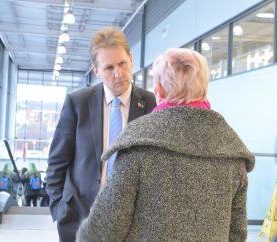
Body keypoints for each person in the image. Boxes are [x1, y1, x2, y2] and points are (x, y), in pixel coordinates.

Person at [76, 48, 255, 241]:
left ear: (159, 90)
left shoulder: (139, 143)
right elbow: (237, 234)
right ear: (204, 88)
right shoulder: (232, 151)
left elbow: (103, 230)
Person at [46, 26, 156, 242]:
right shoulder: (77, 102)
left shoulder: (149, 103)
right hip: (79, 218)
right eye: (109, 68)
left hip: (131, 223)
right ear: (96, 71)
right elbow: (57, 161)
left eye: (123, 63)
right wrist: (59, 207)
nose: (119, 74)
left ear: (131, 58)